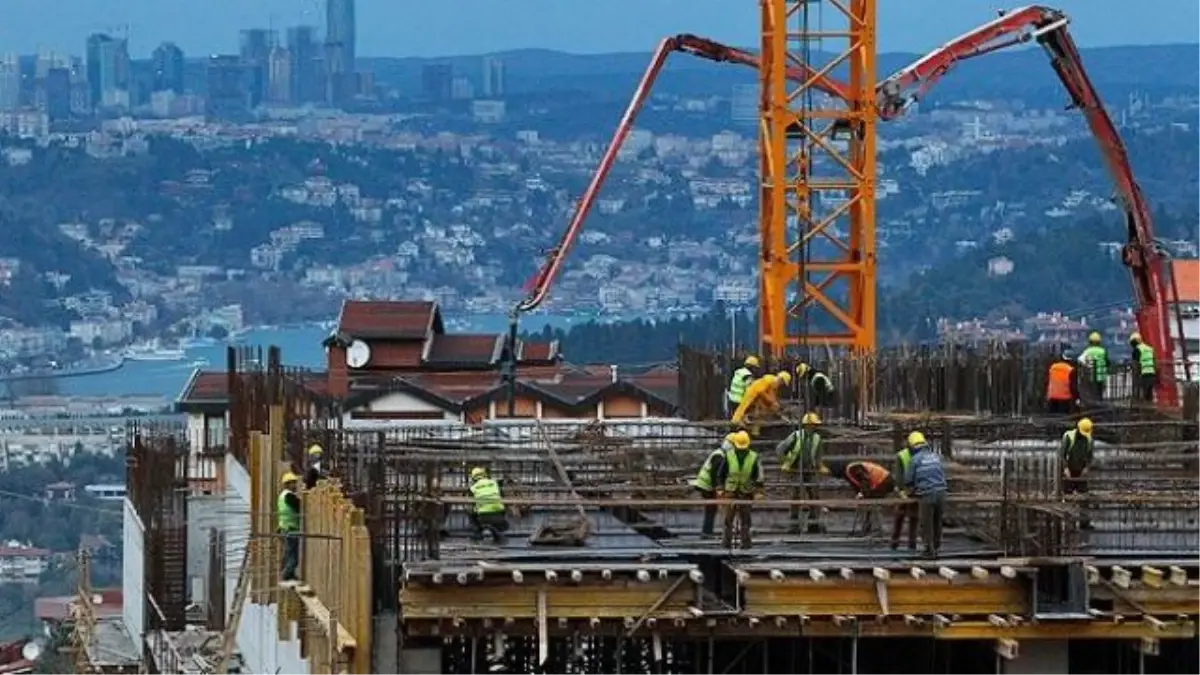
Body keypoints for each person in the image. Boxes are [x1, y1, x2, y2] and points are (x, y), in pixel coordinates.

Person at [713, 431, 764, 549]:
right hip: (730, 491)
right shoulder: (728, 456)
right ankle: (726, 543)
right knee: (728, 519)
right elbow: (720, 474)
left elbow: (758, 476)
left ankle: (745, 543)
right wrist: (720, 488)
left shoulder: (753, 457)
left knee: (745, 519)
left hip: (746, 492)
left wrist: (758, 491)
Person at [777, 412, 826, 533]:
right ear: (807, 425)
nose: (814, 427)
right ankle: (794, 525)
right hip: (795, 469)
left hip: (810, 469)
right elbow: (780, 449)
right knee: (795, 497)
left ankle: (813, 524)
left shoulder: (817, 438)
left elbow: (818, 454)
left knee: (814, 497)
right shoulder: (796, 436)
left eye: (815, 425)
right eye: (813, 425)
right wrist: (785, 462)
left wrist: (820, 466)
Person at [692, 432, 747, 538]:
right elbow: (715, 474)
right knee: (712, 509)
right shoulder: (719, 456)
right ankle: (707, 532)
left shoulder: (721, 454)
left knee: (712, 509)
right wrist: (719, 488)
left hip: (707, 485)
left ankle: (708, 531)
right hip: (707, 485)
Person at [902, 431, 948, 559]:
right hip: (941, 492)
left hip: (927, 493)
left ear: (911, 446)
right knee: (937, 521)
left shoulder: (915, 460)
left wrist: (909, 491)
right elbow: (941, 474)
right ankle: (937, 547)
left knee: (926, 523)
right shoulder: (935, 456)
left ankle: (929, 550)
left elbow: (908, 480)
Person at [827, 459, 894, 535]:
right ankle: (868, 527)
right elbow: (857, 486)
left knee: (871, 503)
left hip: (884, 481)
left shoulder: (853, 468)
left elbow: (865, 480)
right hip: (881, 482)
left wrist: (864, 494)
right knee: (868, 503)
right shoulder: (848, 473)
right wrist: (860, 495)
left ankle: (875, 529)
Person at [1061, 418, 1095, 529]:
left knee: (1084, 497)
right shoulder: (1068, 437)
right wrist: (1065, 468)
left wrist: (1087, 467)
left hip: (1081, 470)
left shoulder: (1089, 439)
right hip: (1070, 469)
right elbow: (1062, 455)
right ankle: (1068, 522)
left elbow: (1090, 456)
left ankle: (1084, 523)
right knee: (1068, 496)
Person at [890, 436, 918, 552]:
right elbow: (899, 475)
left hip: (911, 489)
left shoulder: (903, 455)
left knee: (909, 517)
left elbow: (898, 474)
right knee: (906, 517)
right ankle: (902, 543)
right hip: (910, 489)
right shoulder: (904, 455)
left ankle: (900, 543)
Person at [467, 467, 509, 542]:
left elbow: (471, 504)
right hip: (499, 515)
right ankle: (497, 530)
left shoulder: (473, 488)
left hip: (483, 516)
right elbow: (502, 498)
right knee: (501, 504)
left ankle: (477, 532)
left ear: (473, 478)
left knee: (469, 510)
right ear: (485, 475)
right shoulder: (495, 483)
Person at [278, 472, 302, 582]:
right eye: (293, 483)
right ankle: (286, 574)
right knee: (293, 555)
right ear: (287, 484)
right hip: (291, 528)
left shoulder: (282, 496)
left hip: (285, 528)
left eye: (295, 483)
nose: (295, 485)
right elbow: (299, 506)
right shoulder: (289, 496)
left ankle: (289, 574)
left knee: (289, 553)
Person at [1077, 331, 1110, 402]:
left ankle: (1092, 404)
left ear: (1090, 341)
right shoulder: (1103, 351)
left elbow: (1080, 360)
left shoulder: (1087, 351)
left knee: (1091, 393)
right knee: (1099, 392)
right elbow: (1107, 362)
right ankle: (1099, 403)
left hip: (1090, 375)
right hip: (1101, 376)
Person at [1045, 351, 1078, 415]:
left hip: (1052, 397)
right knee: (1063, 420)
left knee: (1052, 418)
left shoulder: (1052, 367)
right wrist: (1076, 398)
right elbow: (1073, 386)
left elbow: (1047, 381)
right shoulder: (1070, 370)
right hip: (1065, 399)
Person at [1129, 332, 1157, 403]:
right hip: (1152, 374)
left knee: (1142, 395)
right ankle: (1149, 409)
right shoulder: (1150, 348)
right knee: (1149, 395)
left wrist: (1135, 375)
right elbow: (1154, 361)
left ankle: (1142, 410)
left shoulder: (1137, 350)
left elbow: (1135, 365)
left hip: (1143, 374)